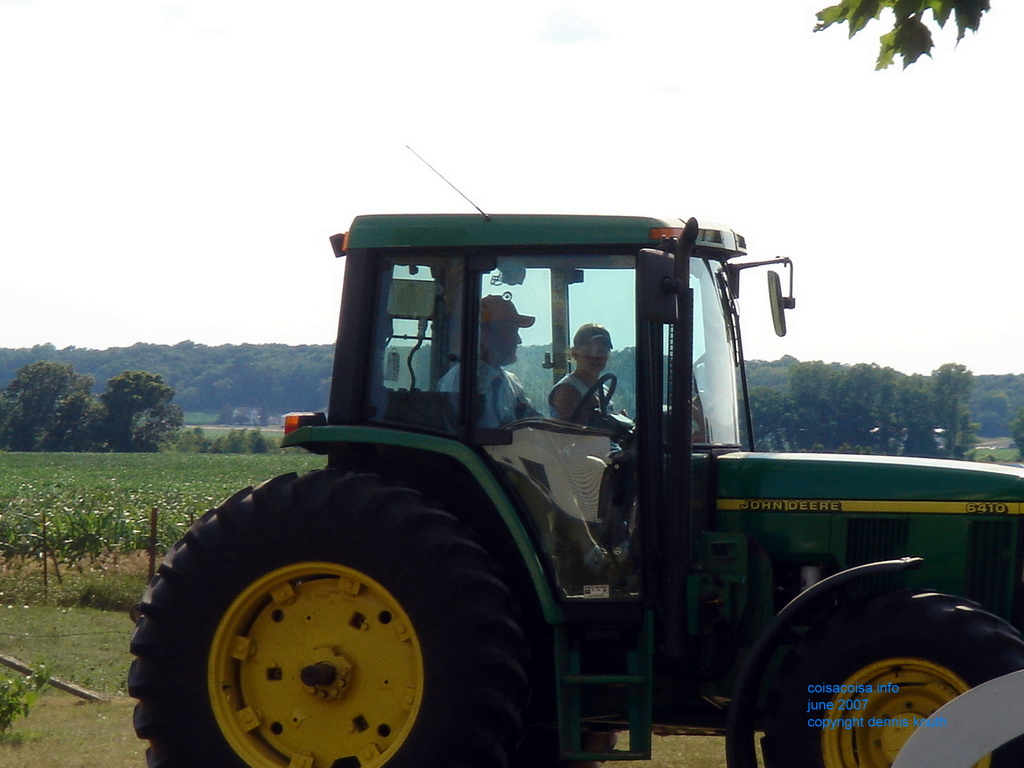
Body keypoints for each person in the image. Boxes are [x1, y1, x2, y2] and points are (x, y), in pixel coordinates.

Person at [439, 295, 539, 427]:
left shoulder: (512, 382)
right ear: (484, 333)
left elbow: (533, 420)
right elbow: (482, 433)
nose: (518, 340)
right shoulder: (465, 379)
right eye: (511, 331)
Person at [549, 323, 614, 423]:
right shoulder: (567, 389)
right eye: (588, 351)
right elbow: (571, 431)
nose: (595, 357)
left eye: (601, 351)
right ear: (574, 353)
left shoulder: (603, 389)